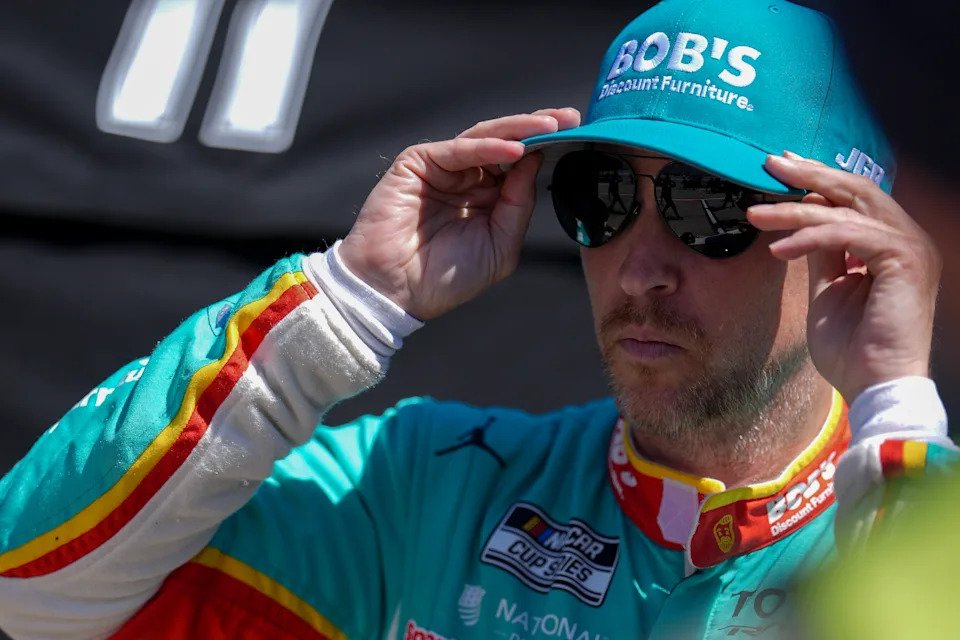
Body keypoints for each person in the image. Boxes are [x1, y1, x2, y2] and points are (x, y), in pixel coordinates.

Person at [0, 1, 955, 639]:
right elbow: (33, 591)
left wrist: (896, 409)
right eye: (601, 196)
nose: (640, 267)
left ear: (851, 244)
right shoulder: (421, 484)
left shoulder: (913, 516)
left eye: (710, 208)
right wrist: (344, 299)